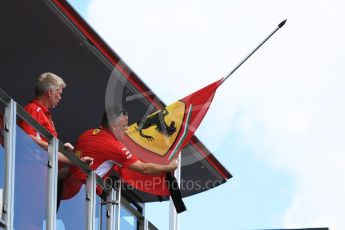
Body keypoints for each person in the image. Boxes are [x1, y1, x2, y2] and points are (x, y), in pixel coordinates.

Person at [62, 106, 179, 200]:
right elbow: (144, 169)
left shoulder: (87, 133)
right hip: (83, 196)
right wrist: (169, 167)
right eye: (124, 125)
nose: (127, 129)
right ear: (114, 125)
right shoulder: (113, 146)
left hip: (68, 190)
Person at [18, 72, 93, 211]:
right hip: (31, 172)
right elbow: (28, 138)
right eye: (59, 93)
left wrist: (76, 159)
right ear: (50, 92)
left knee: (36, 217)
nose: (60, 97)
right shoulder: (34, 109)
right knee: (29, 217)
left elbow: (50, 149)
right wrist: (60, 150)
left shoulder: (45, 114)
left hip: (41, 173)